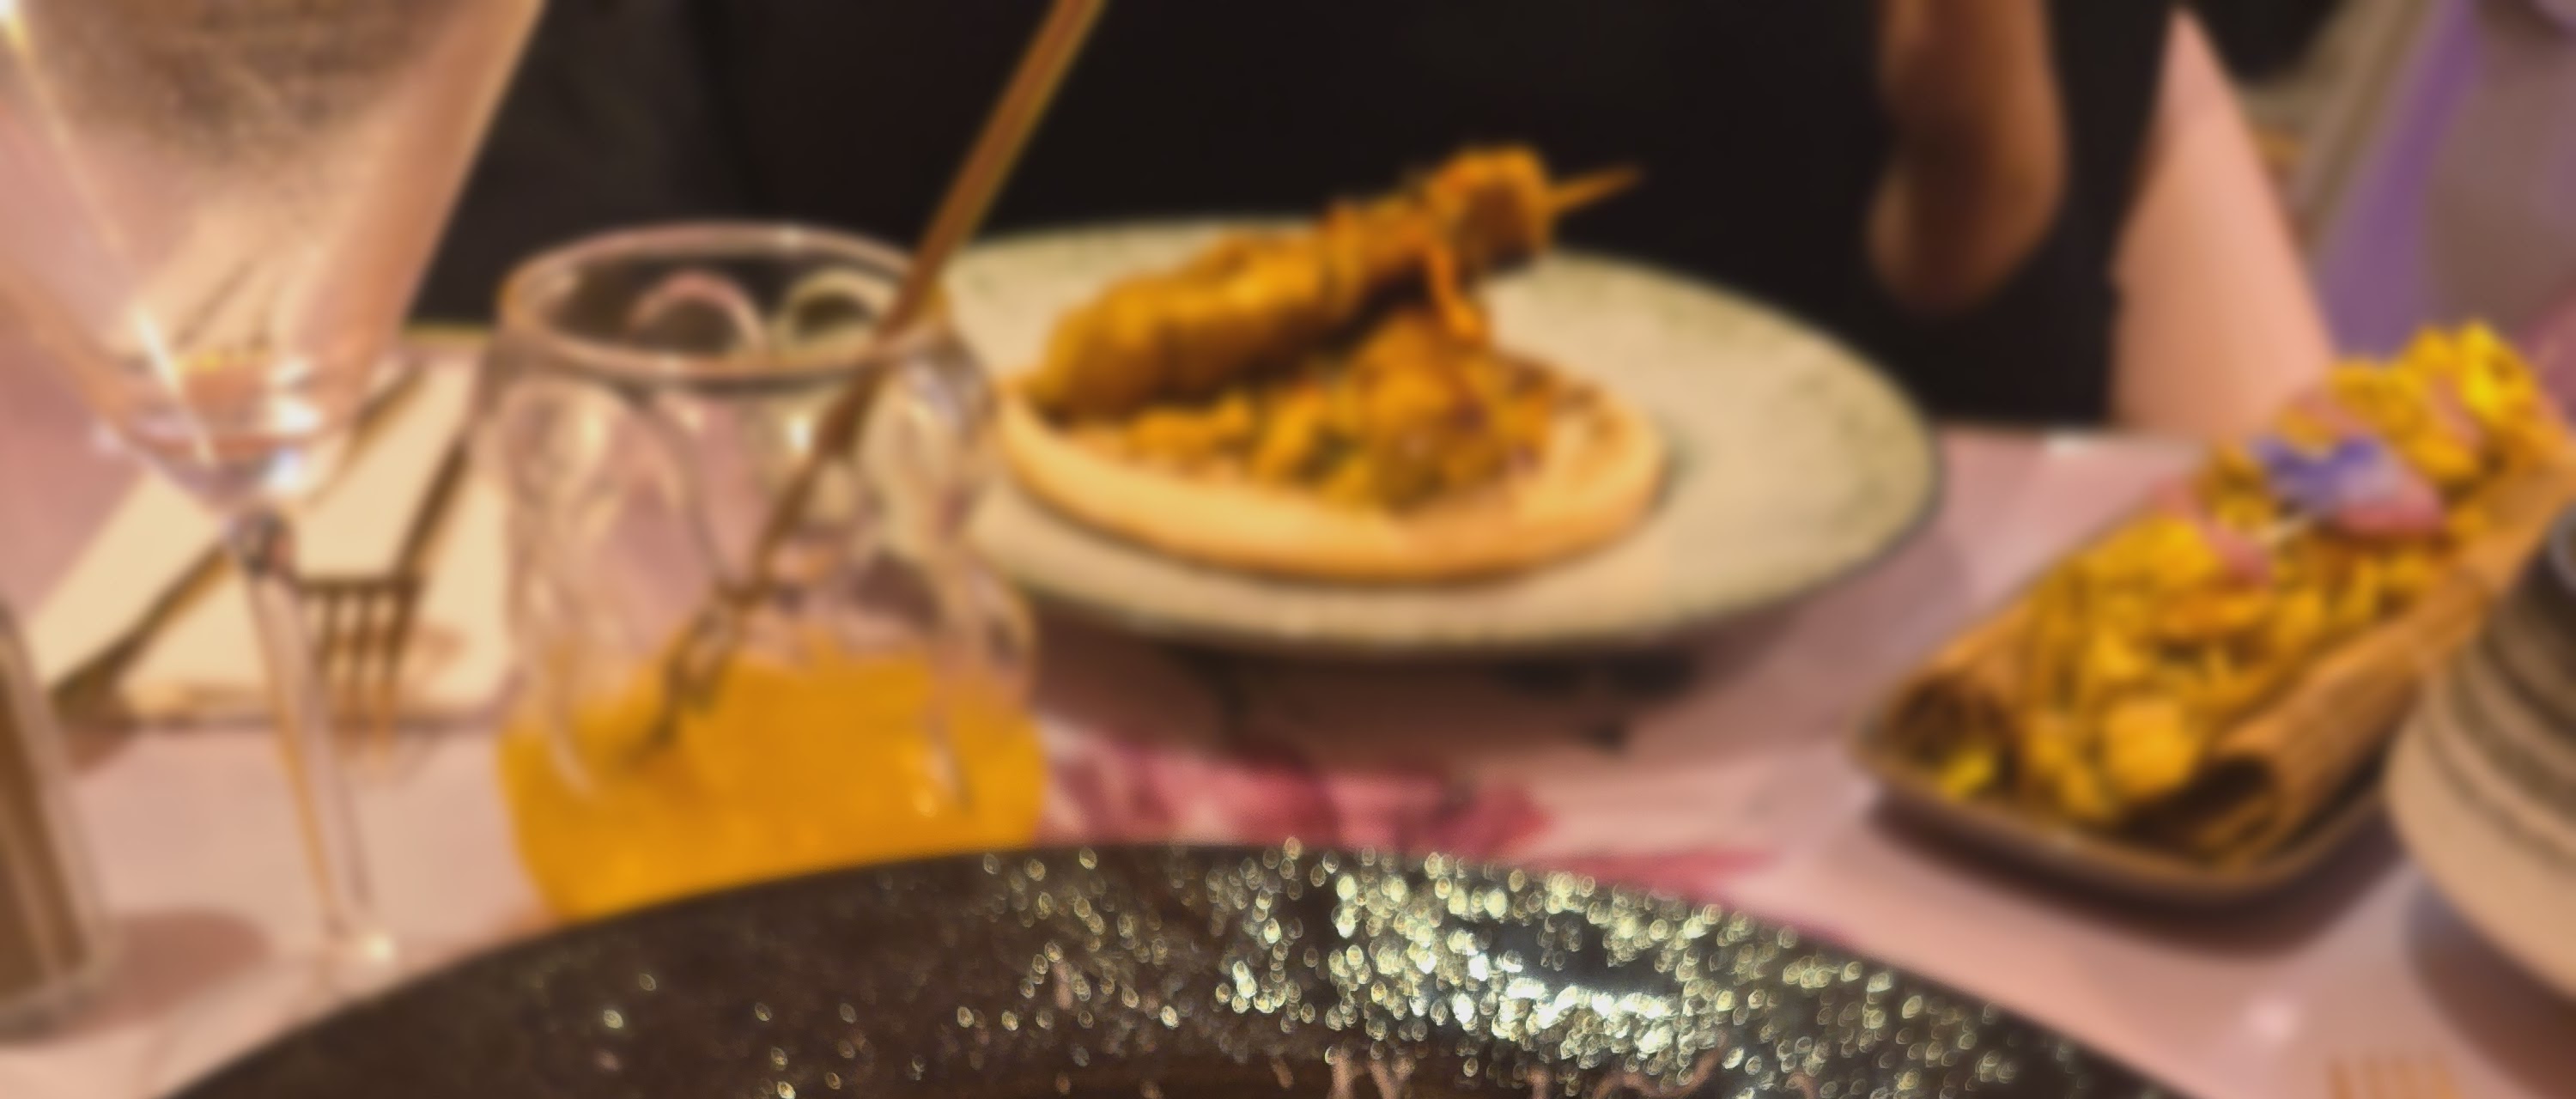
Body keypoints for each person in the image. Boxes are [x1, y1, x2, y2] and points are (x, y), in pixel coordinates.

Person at [426, 0, 2325, 434]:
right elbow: (554, 247)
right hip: (936, 634)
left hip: (1729, 732)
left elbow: (2005, 382)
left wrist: (1979, 119)